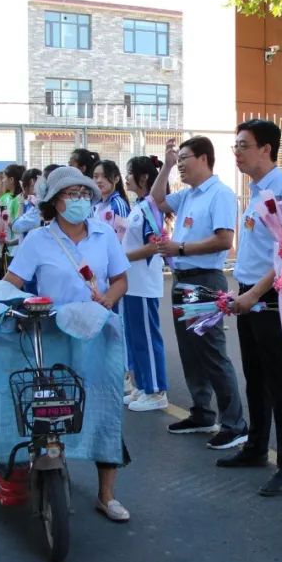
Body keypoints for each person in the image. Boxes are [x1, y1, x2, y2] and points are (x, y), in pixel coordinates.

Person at [3, 166, 133, 522]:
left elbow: (121, 278)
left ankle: (106, 495)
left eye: (84, 194)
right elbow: (13, 281)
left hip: (98, 333)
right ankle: (47, 467)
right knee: (52, 404)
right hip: (52, 335)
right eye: (70, 194)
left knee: (104, 408)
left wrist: (108, 299)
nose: (79, 200)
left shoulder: (104, 234)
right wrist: (12, 306)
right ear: (52, 201)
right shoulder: (37, 240)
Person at [220, 119, 282, 498]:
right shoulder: (256, 192)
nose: (236, 152)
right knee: (255, 375)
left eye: (243, 145)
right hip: (248, 294)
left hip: (273, 298)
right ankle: (256, 446)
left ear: (266, 149)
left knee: (281, 380)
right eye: (236, 146)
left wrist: (254, 294)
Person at [150, 136, 248, 450]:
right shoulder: (189, 194)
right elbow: (157, 200)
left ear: (204, 158)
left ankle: (234, 424)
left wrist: (180, 246)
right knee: (191, 351)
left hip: (204, 282)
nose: (179, 165)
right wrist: (164, 166)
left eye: (183, 159)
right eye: (176, 160)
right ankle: (203, 413)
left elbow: (224, 240)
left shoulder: (219, 194)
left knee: (211, 353)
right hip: (184, 280)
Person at [121, 155, 168, 412]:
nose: (126, 177)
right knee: (135, 336)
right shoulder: (137, 206)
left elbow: (154, 245)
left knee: (148, 338)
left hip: (143, 282)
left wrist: (121, 257)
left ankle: (156, 390)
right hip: (131, 282)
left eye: (130, 172)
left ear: (144, 177)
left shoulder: (150, 206)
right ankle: (142, 385)